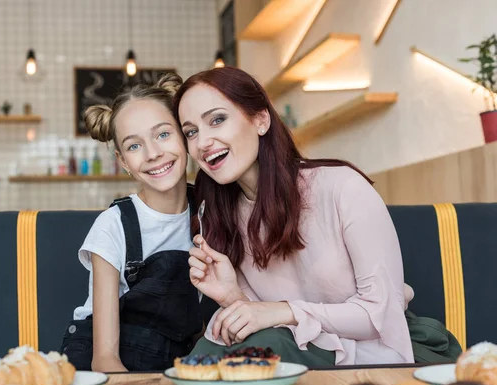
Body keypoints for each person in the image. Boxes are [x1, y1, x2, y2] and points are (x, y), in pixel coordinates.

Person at [172, 66, 416, 366]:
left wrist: (285, 310)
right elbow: (265, 321)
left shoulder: (342, 187)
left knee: (266, 347)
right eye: (191, 132)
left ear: (261, 120)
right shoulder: (221, 217)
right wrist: (233, 297)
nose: (202, 142)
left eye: (217, 120)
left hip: (376, 353)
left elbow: (381, 316)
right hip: (290, 350)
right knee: (210, 349)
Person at [60, 73, 202, 372]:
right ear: (123, 161)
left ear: (185, 135)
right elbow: (105, 359)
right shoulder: (113, 226)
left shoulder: (211, 211)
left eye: (163, 134)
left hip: (175, 362)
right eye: (134, 146)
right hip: (108, 363)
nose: (153, 154)